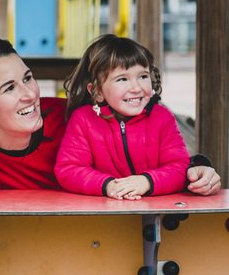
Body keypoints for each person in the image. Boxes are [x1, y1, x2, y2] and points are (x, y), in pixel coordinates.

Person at [0, 33, 222, 196]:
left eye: (28, 78)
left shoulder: (75, 116)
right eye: (9, 88)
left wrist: (197, 167)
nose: (30, 94)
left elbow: (140, 140)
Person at [55, 35, 189, 200]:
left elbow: (180, 168)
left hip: (155, 209)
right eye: (122, 79)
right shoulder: (83, 120)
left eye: (143, 76)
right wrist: (108, 185)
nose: (136, 87)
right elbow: (69, 169)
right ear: (97, 91)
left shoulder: (162, 118)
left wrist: (146, 182)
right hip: (104, 213)